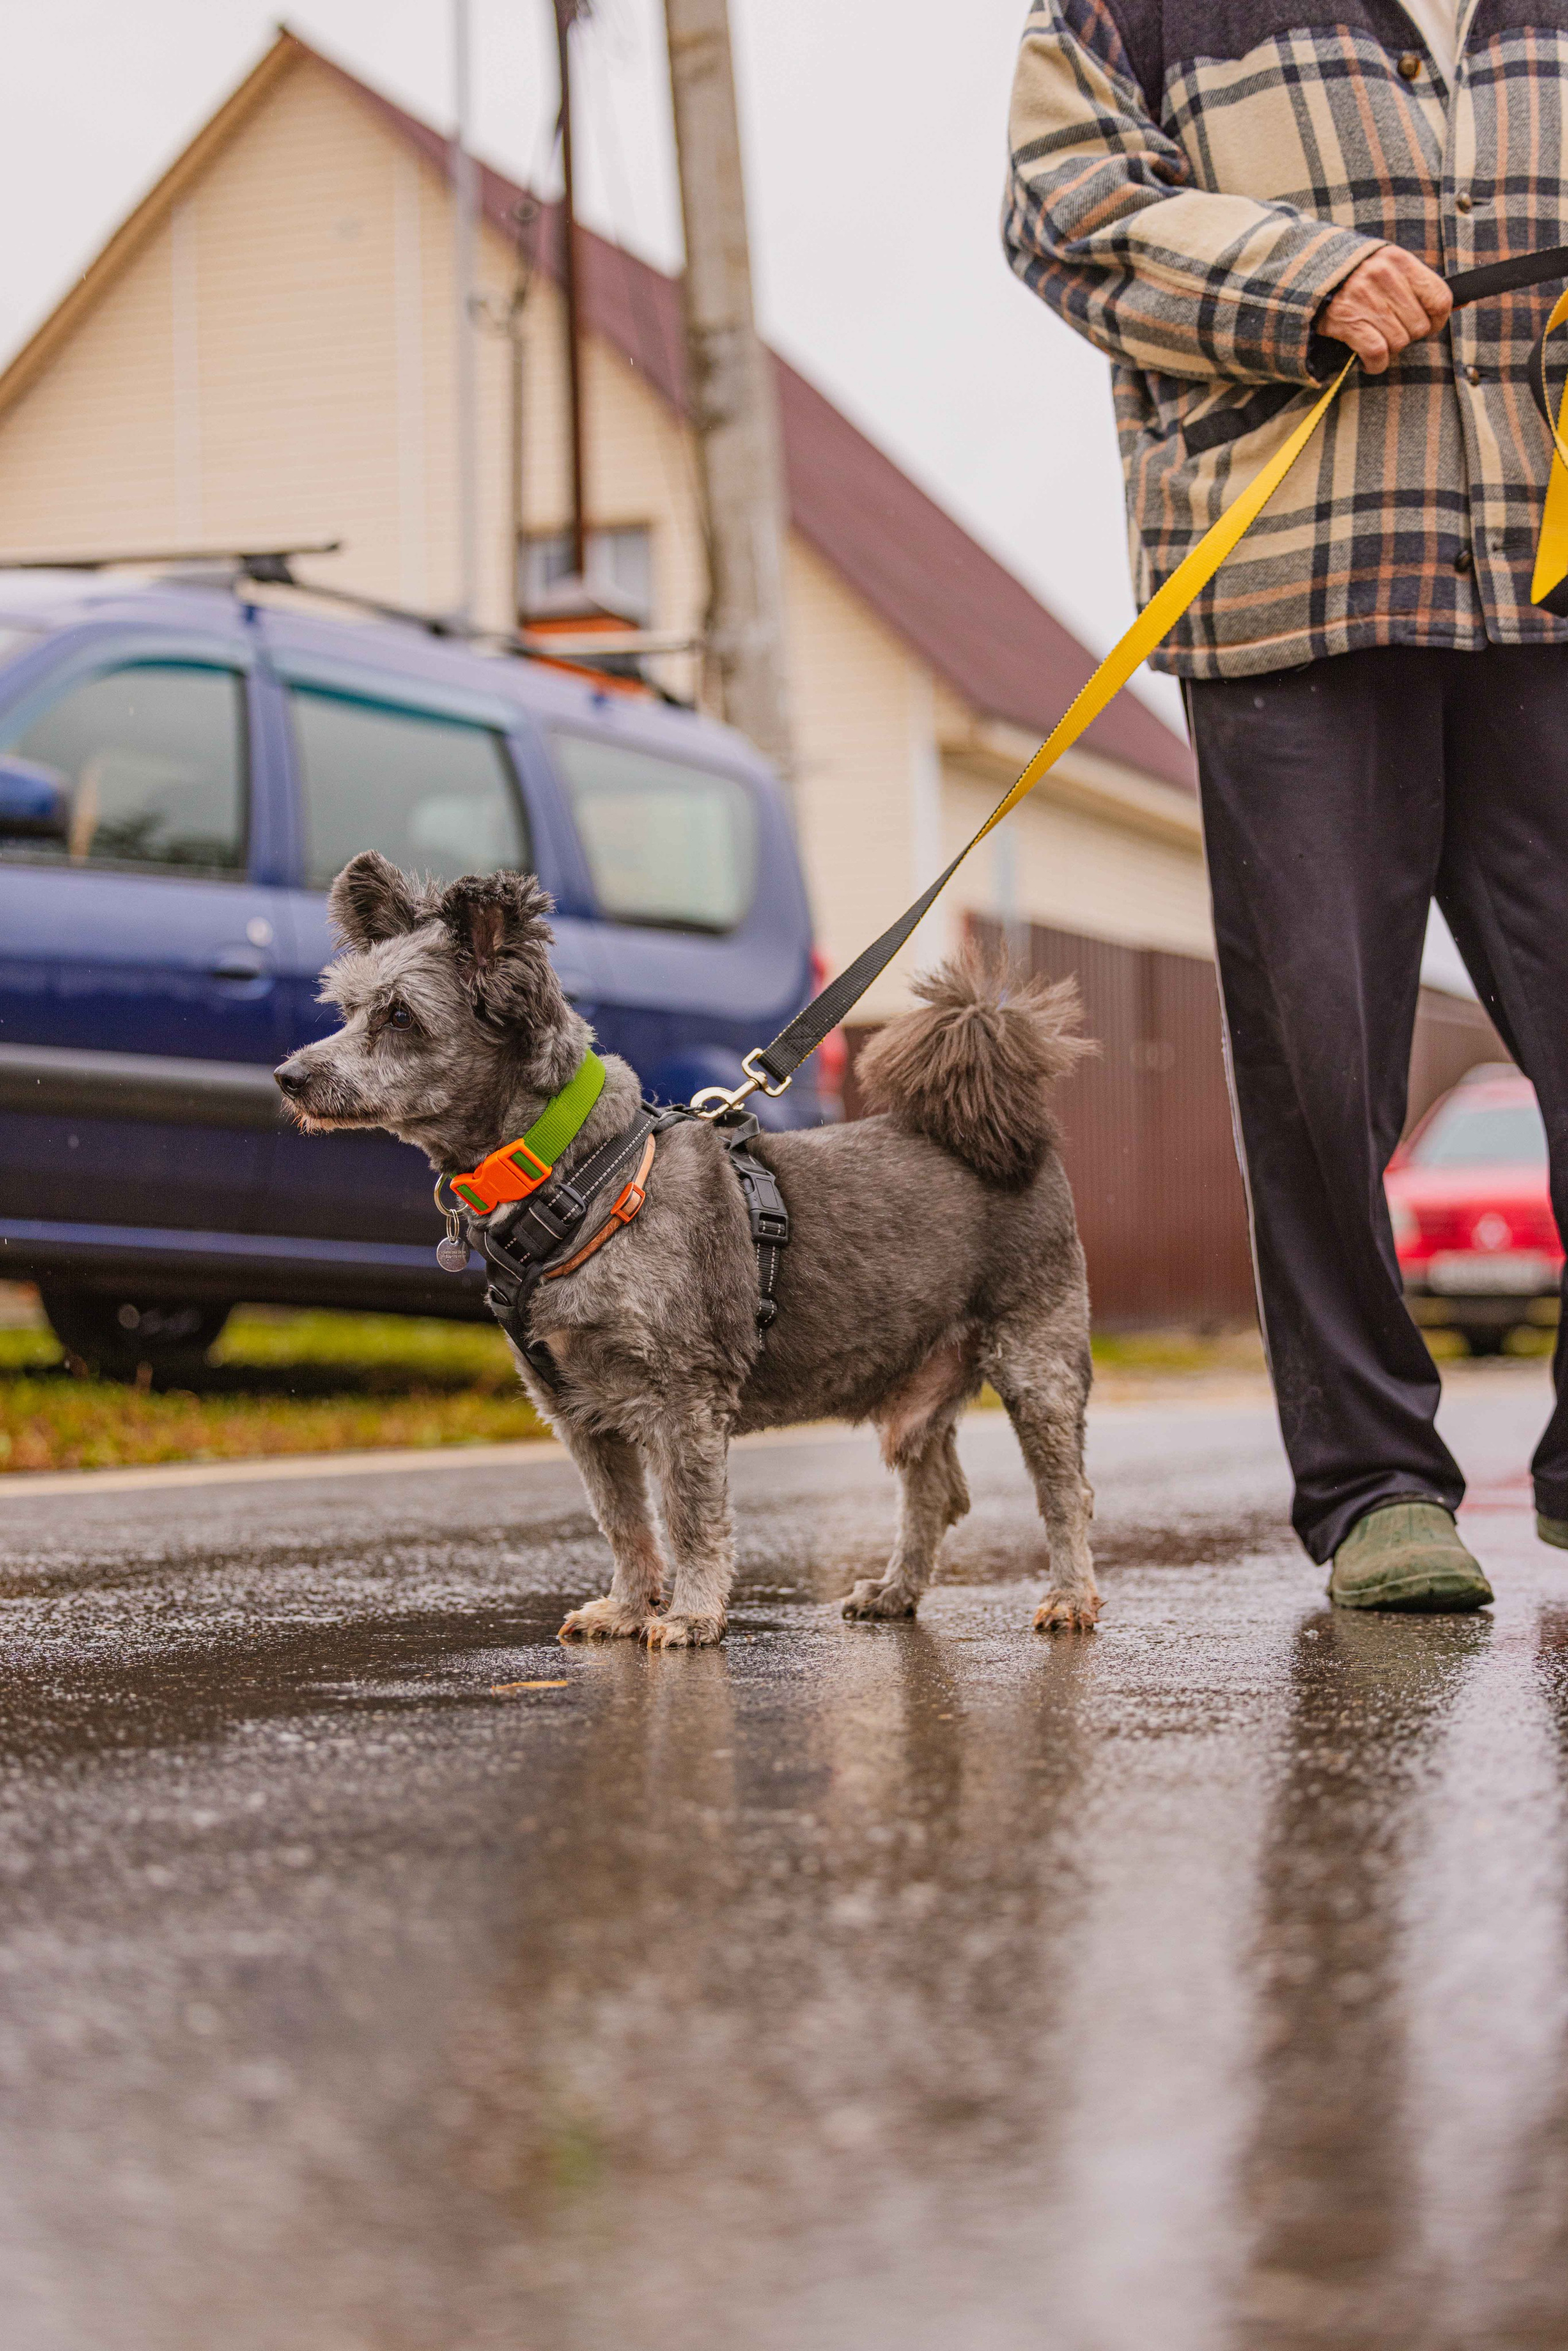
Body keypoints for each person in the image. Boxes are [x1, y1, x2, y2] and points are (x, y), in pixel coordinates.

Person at [1004, 2, 1568, 1610]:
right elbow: (1063, 201)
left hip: (1557, 582)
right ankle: (1378, 1487)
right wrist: (1296, 276)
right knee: (1323, 1067)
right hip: (1292, 601)